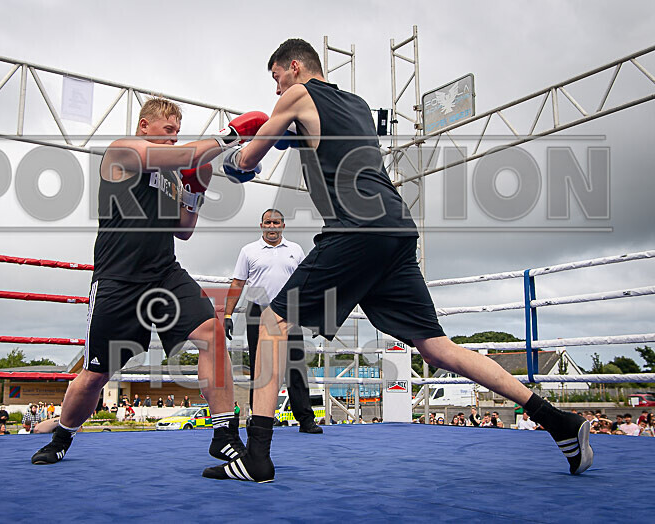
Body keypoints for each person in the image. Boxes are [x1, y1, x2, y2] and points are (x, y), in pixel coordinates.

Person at [202, 38, 593, 483]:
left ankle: (257, 456)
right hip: (395, 228)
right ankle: (559, 421)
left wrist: (232, 154)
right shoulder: (357, 106)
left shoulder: (297, 95)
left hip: (357, 228)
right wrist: (283, 139)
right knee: (438, 349)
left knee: (272, 322)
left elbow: (248, 158)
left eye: (276, 78)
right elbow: (320, 142)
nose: (276, 90)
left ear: (294, 66)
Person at [31, 98, 269, 465]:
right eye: (167, 130)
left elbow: (183, 230)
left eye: (177, 132)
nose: (173, 137)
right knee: (96, 374)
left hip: (164, 273)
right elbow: (188, 155)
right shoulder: (123, 151)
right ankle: (61, 436)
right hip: (118, 278)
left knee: (212, 332)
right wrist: (231, 136)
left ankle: (224, 433)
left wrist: (194, 193)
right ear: (144, 126)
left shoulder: (171, 176)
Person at [224, 208, 322, 434]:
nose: (271, 227)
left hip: (289, 312)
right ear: (261, 225)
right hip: (258, 312)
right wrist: (228, 315)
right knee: (260, 367)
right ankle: (258, 419)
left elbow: (307, 284)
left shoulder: (295, 250)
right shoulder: (249, 251)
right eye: (268, 222)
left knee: (296, 366)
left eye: (276, 223)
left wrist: (315, 316)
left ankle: (306, 420)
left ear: (283, 226)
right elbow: (237, 283)